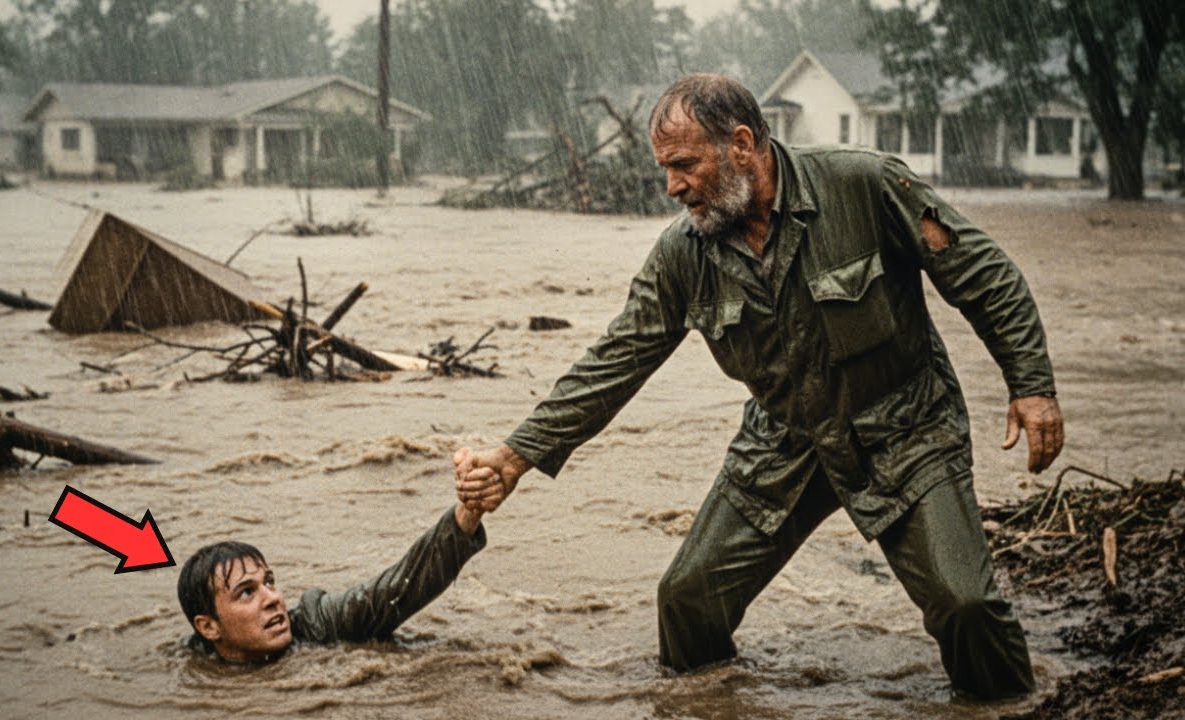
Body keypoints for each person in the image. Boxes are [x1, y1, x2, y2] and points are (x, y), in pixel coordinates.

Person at [455, 73, 1063, 701]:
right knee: (687, 600)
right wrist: (515, 457)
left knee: (967, 607)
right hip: (785, 440)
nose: (672, 187)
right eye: (665, 169)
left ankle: (1010, 706)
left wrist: (1032, 386)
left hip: (906, 428)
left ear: (742, 145)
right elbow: (614, 361)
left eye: (685, 165)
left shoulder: (864, 185)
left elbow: (985, 275)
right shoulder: (684, 253)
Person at [177, 483, 493, 663]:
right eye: (247, 592)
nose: (272, 599)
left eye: (269, 582)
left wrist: (468, 513)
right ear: (209, 627)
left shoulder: (318, 623)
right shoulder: (189, 672)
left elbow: (395, 590)